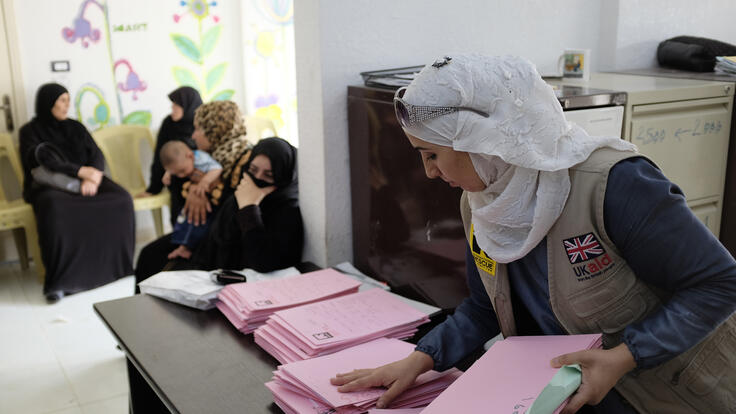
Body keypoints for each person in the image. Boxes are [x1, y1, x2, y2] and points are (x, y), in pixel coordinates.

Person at [330, 55, 736, 414]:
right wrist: (421, 359)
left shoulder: (615, 185)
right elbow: (485, 307)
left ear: (482, 141)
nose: (429, 173)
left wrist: (625, 356)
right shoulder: (482, 202)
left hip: (670, 393)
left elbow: (718, 283)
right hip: (569, 393)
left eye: (432, 155)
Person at [19, 83, 135, 303]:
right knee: (55, 208)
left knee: (121, 199)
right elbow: (42, 160)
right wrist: (80, 172)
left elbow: (96, 153)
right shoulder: (30, 131)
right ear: (48, 103)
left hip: (88, 178)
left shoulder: (75, 127)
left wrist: (96, 176)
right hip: (52, 185)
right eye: (61, 100)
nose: (66, 105)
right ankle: (61, 283)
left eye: (68, 100)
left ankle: (118, 268)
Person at [137, 86, 202, 225]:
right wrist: (154, 188)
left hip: (202, 173)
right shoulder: (169, 123)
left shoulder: (202, 123)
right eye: (172, 104)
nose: (173, 108)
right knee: (176, 183)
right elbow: (160, 156)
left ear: (188, 106)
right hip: (176, 175)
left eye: (176, 105)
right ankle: (179, 233)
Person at [159, 140, 223, 259]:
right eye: (176, 174)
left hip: (211, 198)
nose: (181, 176)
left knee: (198, 221)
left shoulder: (202, 158)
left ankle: (187, 248)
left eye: (182, 171)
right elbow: (174, 167)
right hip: (194, 194)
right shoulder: (185, 159)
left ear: (191, 156)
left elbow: (217, 168)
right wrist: (168, 174)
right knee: (184, 220)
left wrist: (205, 181)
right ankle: (182, 245)